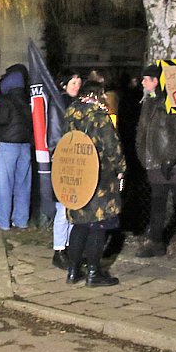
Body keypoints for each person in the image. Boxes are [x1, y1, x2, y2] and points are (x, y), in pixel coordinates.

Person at [63, 81, 126, 286]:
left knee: (79, 224)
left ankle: (73, 271)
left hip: (76, 173)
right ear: (97, 95)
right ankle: (93, 273)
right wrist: (121, 168)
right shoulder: (99, 116)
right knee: (98, 225)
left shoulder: (71, 112)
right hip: (100, 178)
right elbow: (112, 146)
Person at [135, 64, 176, 261]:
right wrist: (142, 153)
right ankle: (155, 242)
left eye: (146, 79)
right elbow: (143, 131)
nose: (143, 83)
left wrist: (171, 158)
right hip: (154, 163)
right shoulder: (148, 102)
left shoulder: (174, 100)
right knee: (157, 204)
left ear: (156, 81)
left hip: (175, 165)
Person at [0, 64, 32, 230]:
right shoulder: (27, 99)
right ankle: (21, 220)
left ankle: (3, 222)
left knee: (4, 185)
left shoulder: (6, 100)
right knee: (23, 185)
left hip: (8, 146)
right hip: (24, 146)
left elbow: (0, 120)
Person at [52, 71, 81, 270]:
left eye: (79, 82)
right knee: (63, 208)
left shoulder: (78, 104)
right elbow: (56, 132)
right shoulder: (59, 105)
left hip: (76, 160)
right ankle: (59, 249)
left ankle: (69, 246)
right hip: (63, 159)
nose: (76, 85)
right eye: (73, 82)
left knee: (74, 206)